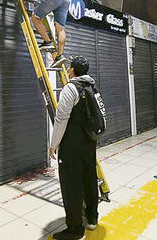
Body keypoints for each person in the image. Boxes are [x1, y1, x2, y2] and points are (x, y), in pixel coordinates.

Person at [49, 56, 98, 240]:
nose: (68, 70)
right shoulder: (92, 86)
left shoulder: (71, 88)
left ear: (72, 70)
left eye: (69, 68)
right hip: (90, 142)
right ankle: (92, 219)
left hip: (72, 146)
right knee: (89, 179)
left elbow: (61, 119)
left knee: (71, 185)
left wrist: (53, 145)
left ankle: (75, 229)